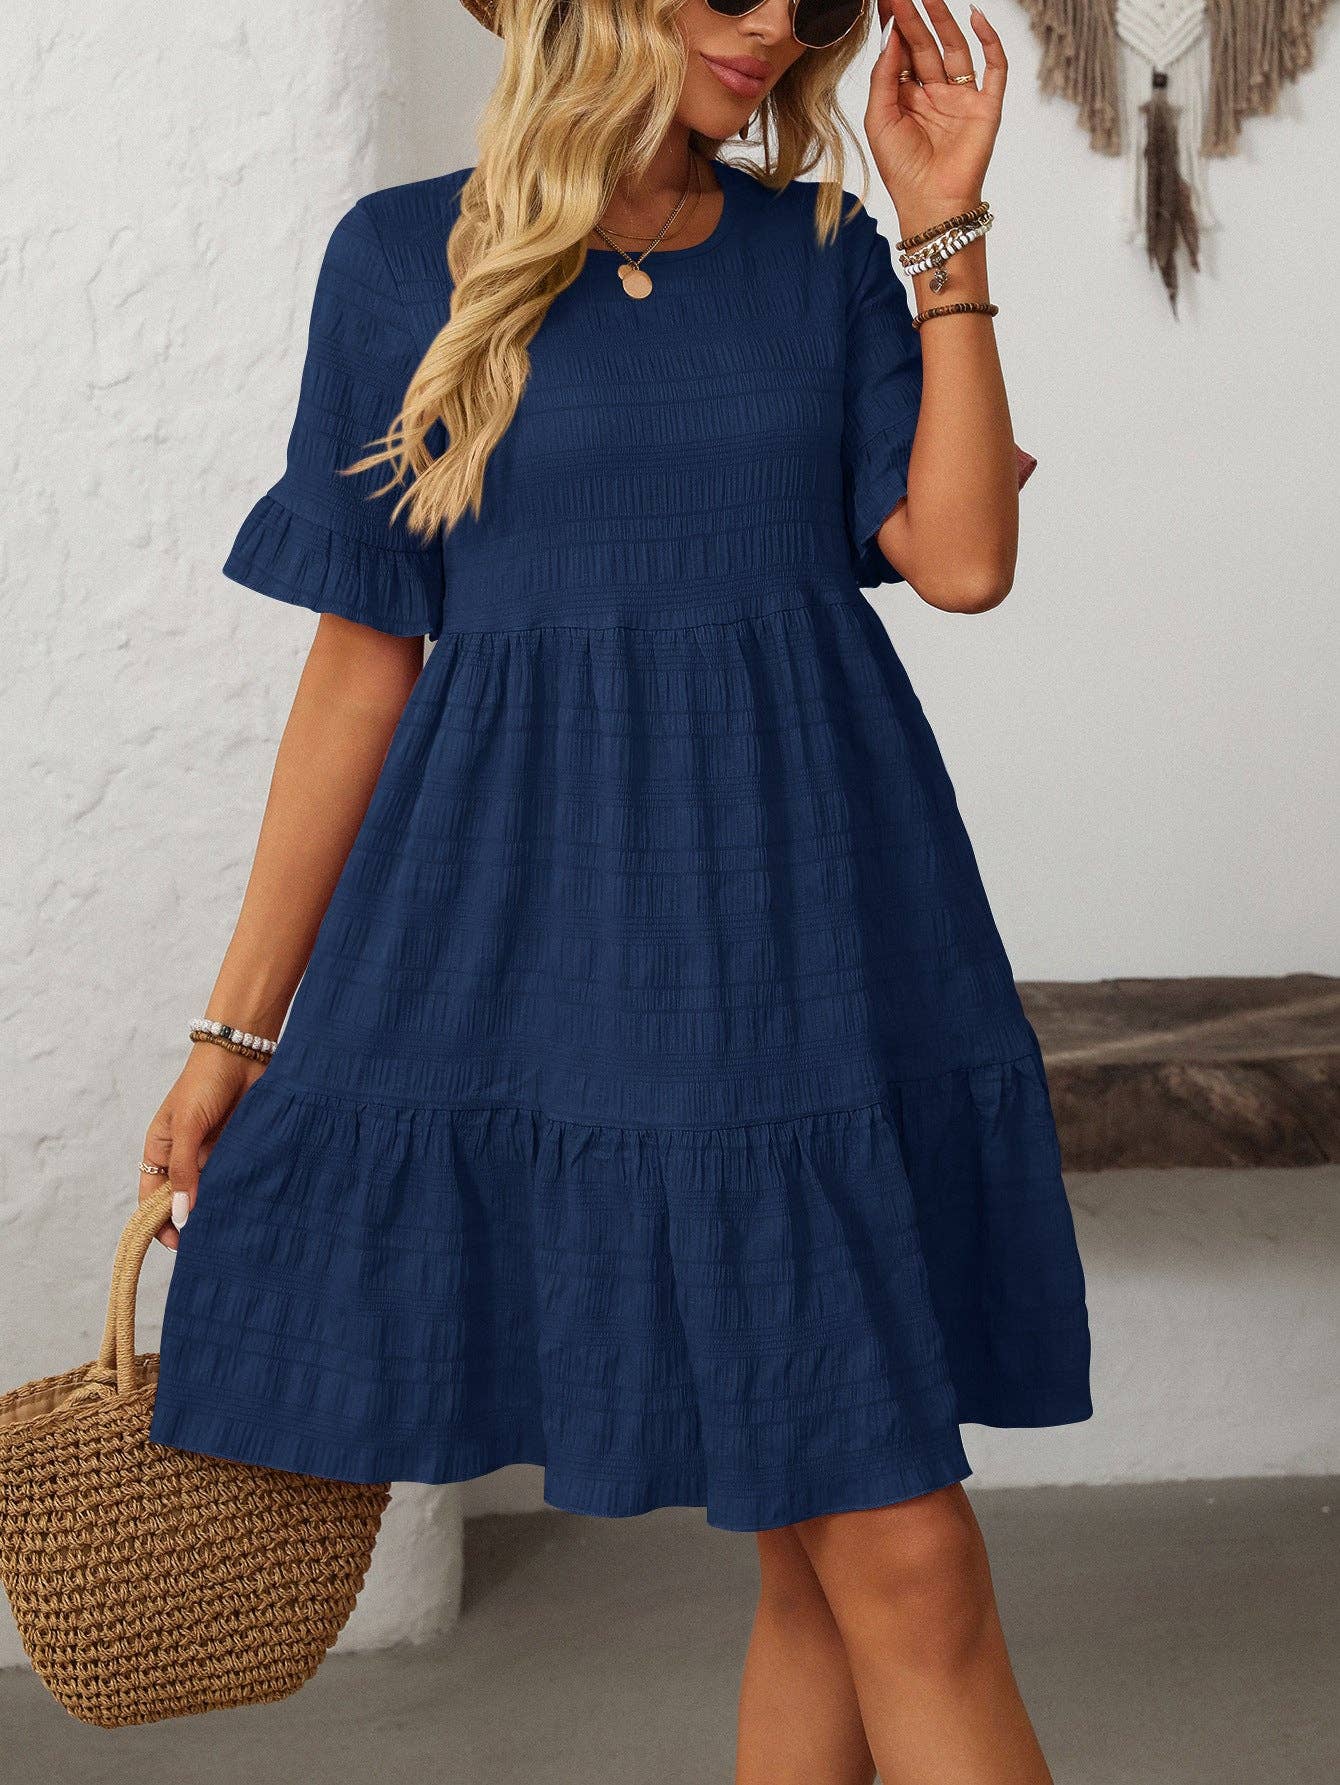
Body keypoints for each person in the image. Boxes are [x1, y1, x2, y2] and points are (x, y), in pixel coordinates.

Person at [140, 0, 1092, 1777]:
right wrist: (231, 1030)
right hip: (572, 956)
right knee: (888, 1547)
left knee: (846, 1564)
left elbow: (962, 557)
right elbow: (363, 669)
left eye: (796, 4)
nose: (770, 29)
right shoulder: (400, 259)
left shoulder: (815, 251)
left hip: (826, 939)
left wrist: (943, 222)